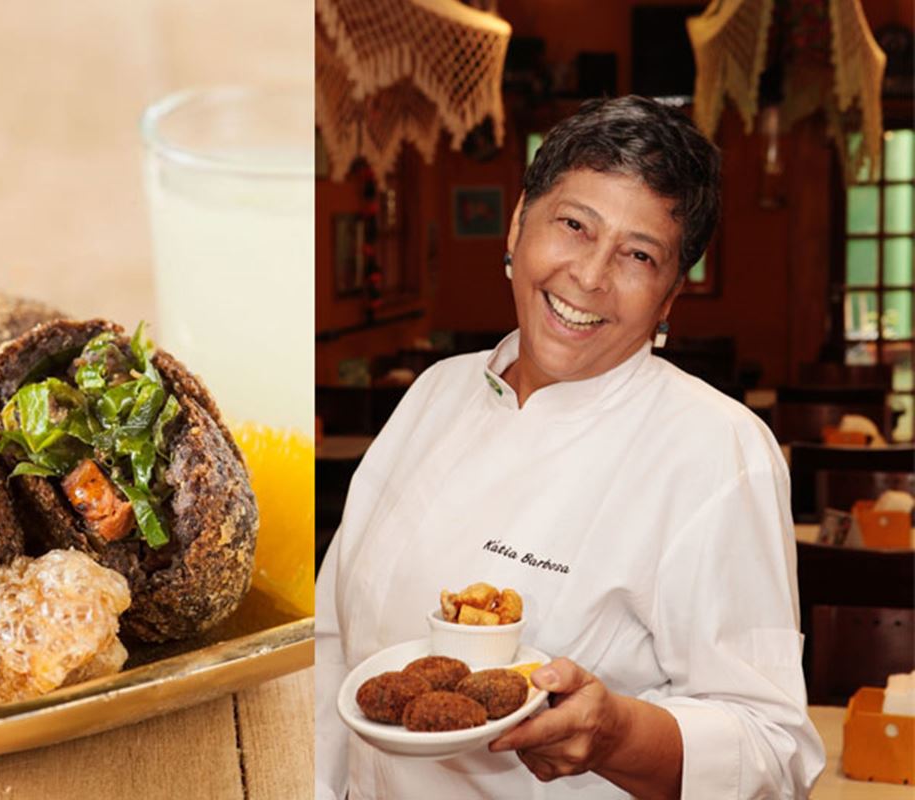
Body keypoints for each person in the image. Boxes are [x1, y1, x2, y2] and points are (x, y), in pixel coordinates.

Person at [314, 95, 825, 799]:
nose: (589, 275)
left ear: (670, 296)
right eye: (574, 225)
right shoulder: (437, 391)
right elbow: (330, 646)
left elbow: (775, 751)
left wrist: (615, 734)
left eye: (638, 254)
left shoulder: (717, 450)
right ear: (521, 223)